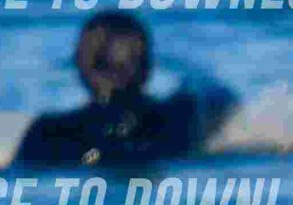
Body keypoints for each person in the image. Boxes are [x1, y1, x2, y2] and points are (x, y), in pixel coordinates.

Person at [13, 11, 236, 170]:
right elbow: (217, 93)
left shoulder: (47, 133)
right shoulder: (181, 114)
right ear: (147, 69)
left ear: (82, 69)